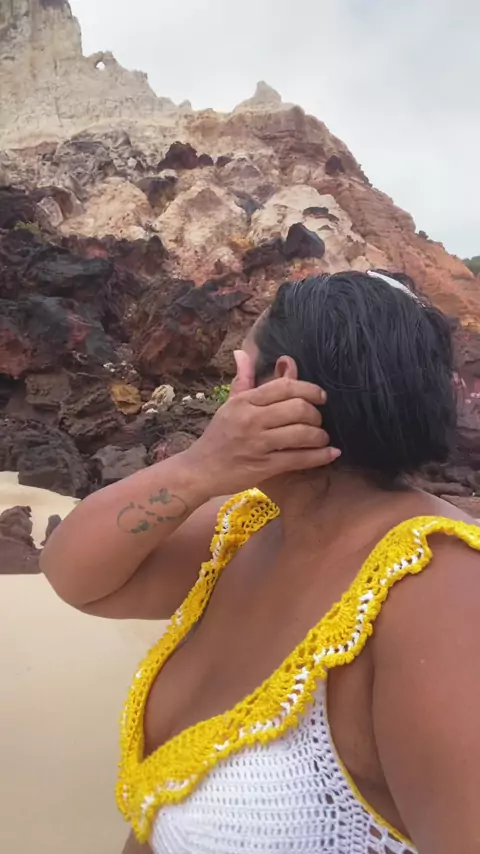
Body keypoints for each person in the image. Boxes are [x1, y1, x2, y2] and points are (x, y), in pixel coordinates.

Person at [41, 271, 480, 854]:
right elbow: (75, 577)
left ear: (280, 381)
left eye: (237, 370)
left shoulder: (437, 586)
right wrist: (198, 468)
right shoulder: (248, 527)